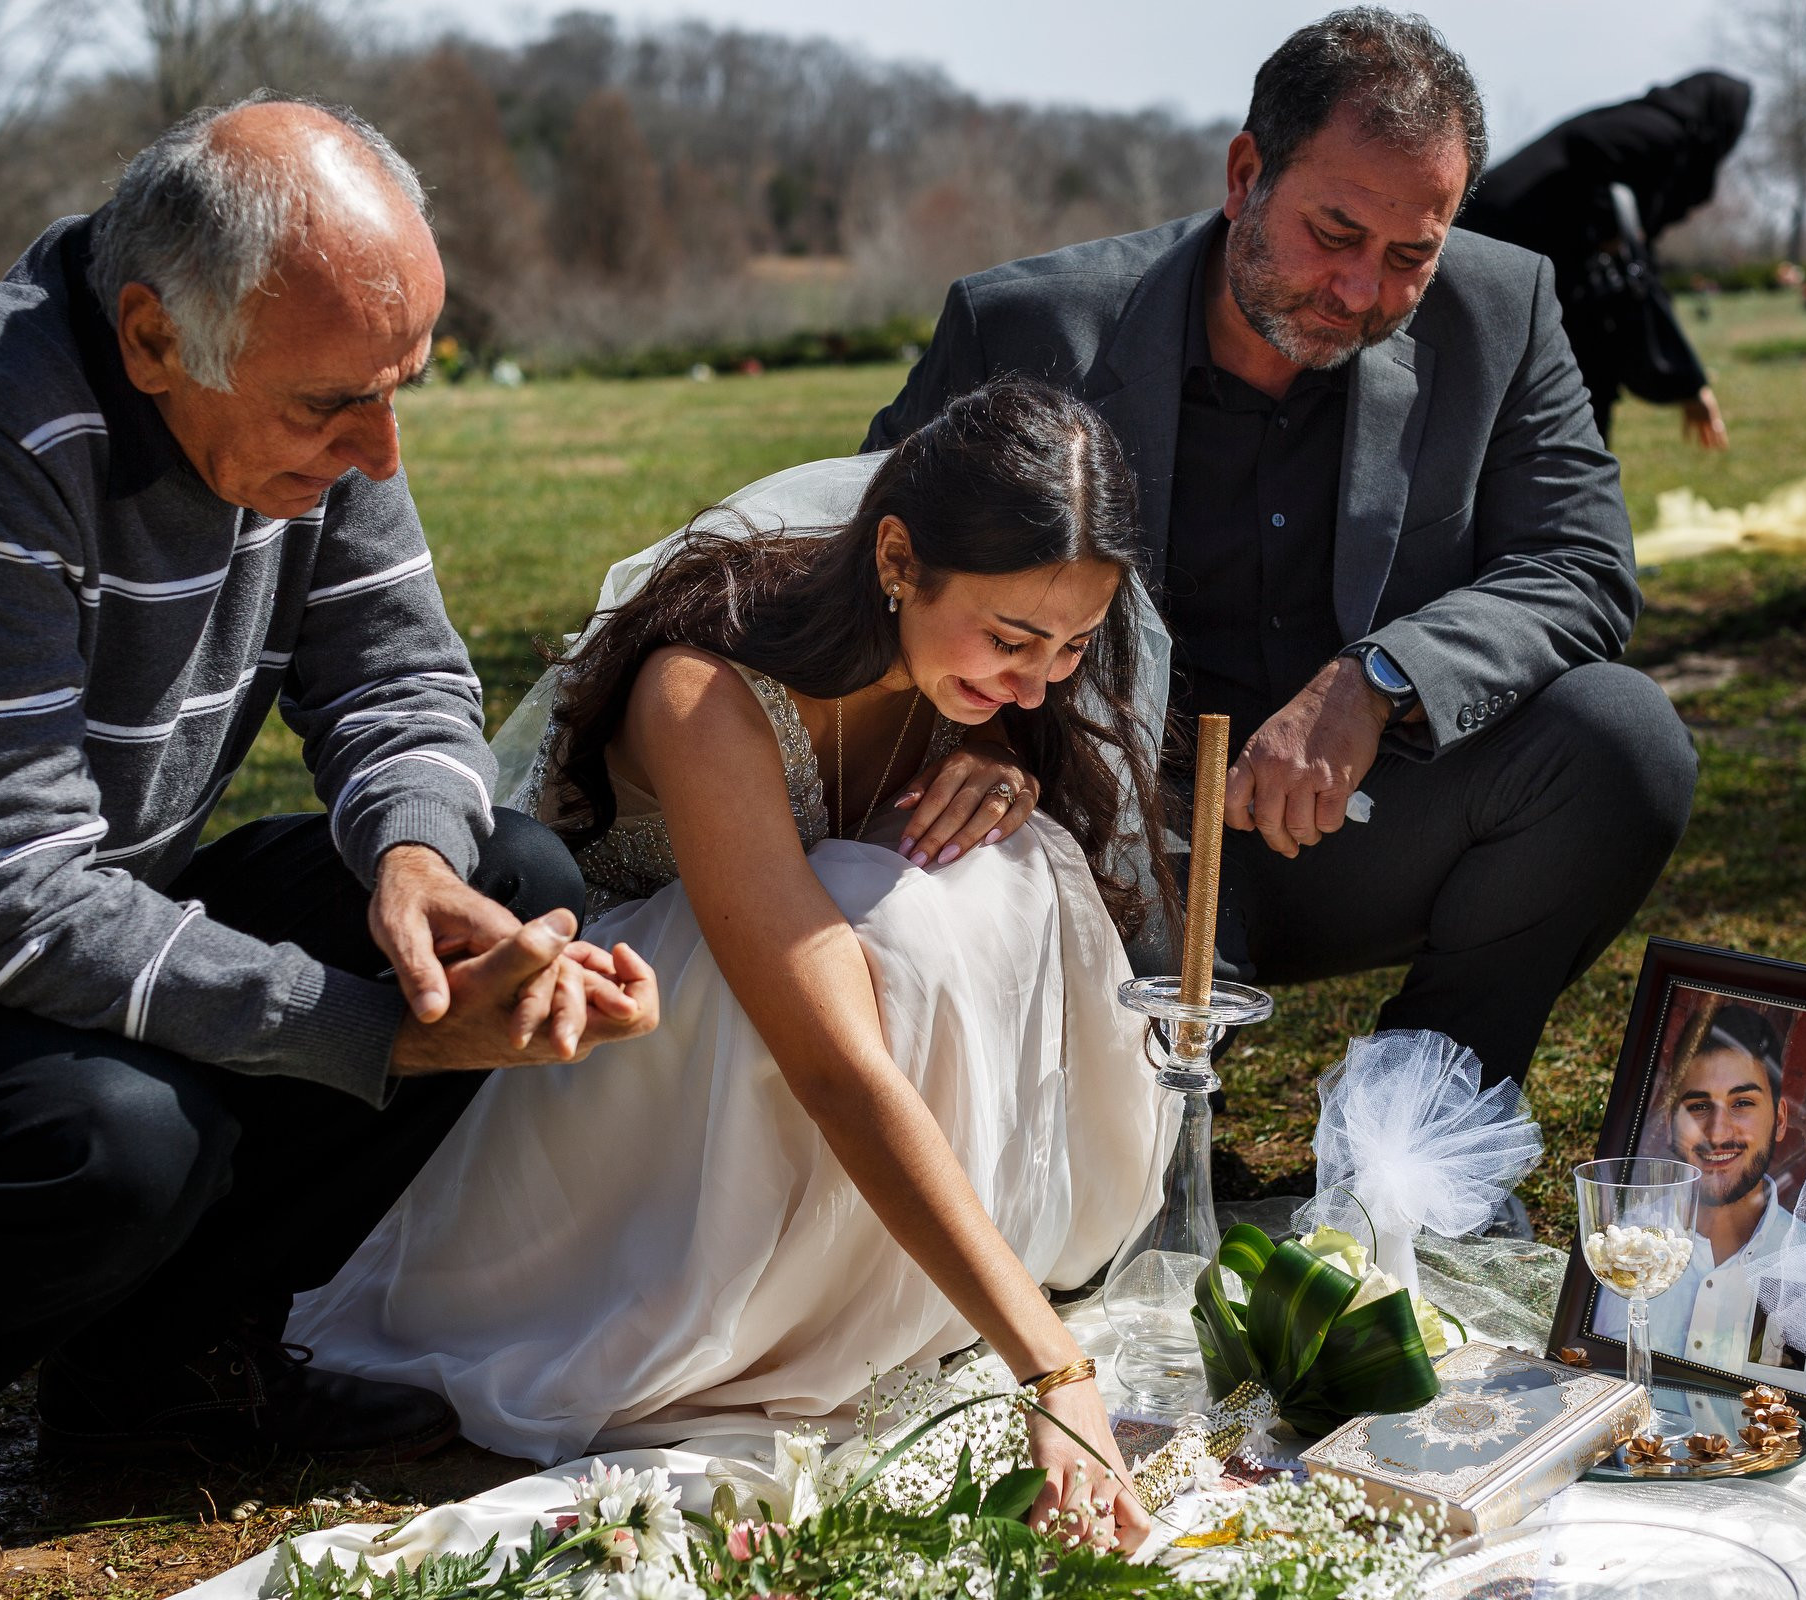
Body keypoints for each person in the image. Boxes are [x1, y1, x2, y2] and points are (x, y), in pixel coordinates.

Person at [0, 97, 657, 1595]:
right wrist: (379, 1032)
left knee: (512, 883)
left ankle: (149, 1369)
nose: (381, 452)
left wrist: (418, 865)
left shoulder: (299, 397)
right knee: (127, 1132)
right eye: (334, 408)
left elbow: (399, 682)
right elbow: (1, 900)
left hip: (63, 900)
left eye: (403, 391)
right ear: (151, 337)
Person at [290, 378, 1172, 1552]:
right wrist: (1053, 1368)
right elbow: (833, 1060)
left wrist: (1001, 760)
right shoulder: (701, 693)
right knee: (894, 921)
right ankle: (806, 1317)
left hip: (808, 1060)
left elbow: (981, 780)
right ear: (897, 560)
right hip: (636, 1081)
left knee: (1014, 856)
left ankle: (907, 1292)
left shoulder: (971, 685)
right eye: (1011, 639)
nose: (1036, 682)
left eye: (1071, 647)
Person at [863, 9, 1697, 1088]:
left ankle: (1417, 1118)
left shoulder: (1508, 308)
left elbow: (1580, 564)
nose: (1363, 292)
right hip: (1095, 829)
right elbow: (870, 565)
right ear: (1245, 174)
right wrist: (972, 736)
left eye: (1411, 256)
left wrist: (1378, 680)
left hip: (1368, 822)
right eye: (1334, 234)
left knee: (1623, 740)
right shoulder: (1020, 326)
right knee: (1146, 1157)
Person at [1458, 71, 1752, 447]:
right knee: (1577, 363)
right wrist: (1607, 224)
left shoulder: (1647, 124)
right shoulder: (1665, 131)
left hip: (1523, 234)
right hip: (1510, 230)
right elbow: (1587, 145)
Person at [1597, 1004, 1803, 1382]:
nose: (1717, 1132)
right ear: (1670, 1123)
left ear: (1780, 1119)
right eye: (1699, 1106)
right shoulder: (1619, 1241)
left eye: (1742, 1103)